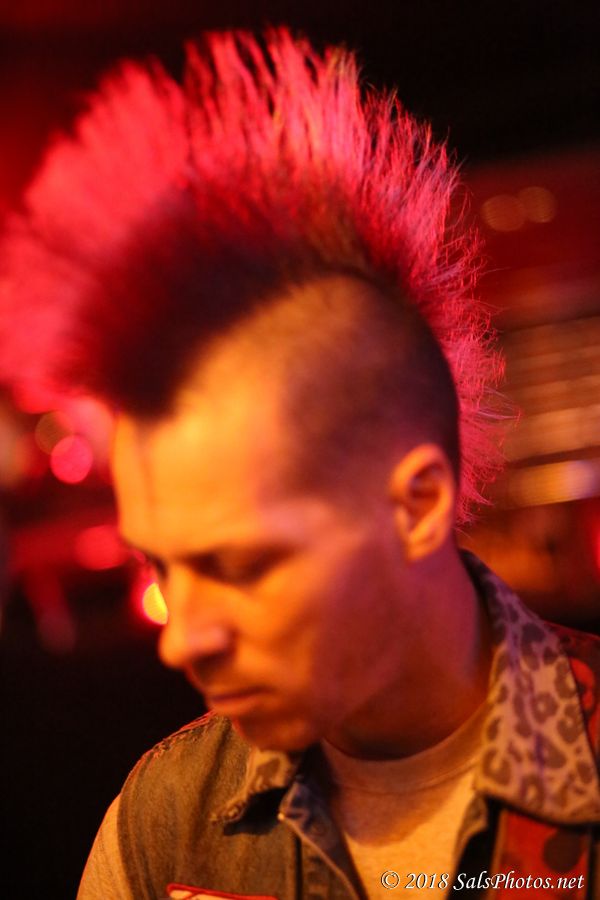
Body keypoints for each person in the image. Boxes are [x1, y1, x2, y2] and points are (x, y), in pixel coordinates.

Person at [2, 28, 599, 900]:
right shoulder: (164, 826)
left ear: (418, 505)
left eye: (240, 564)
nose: (181, 637)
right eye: (160, 565)